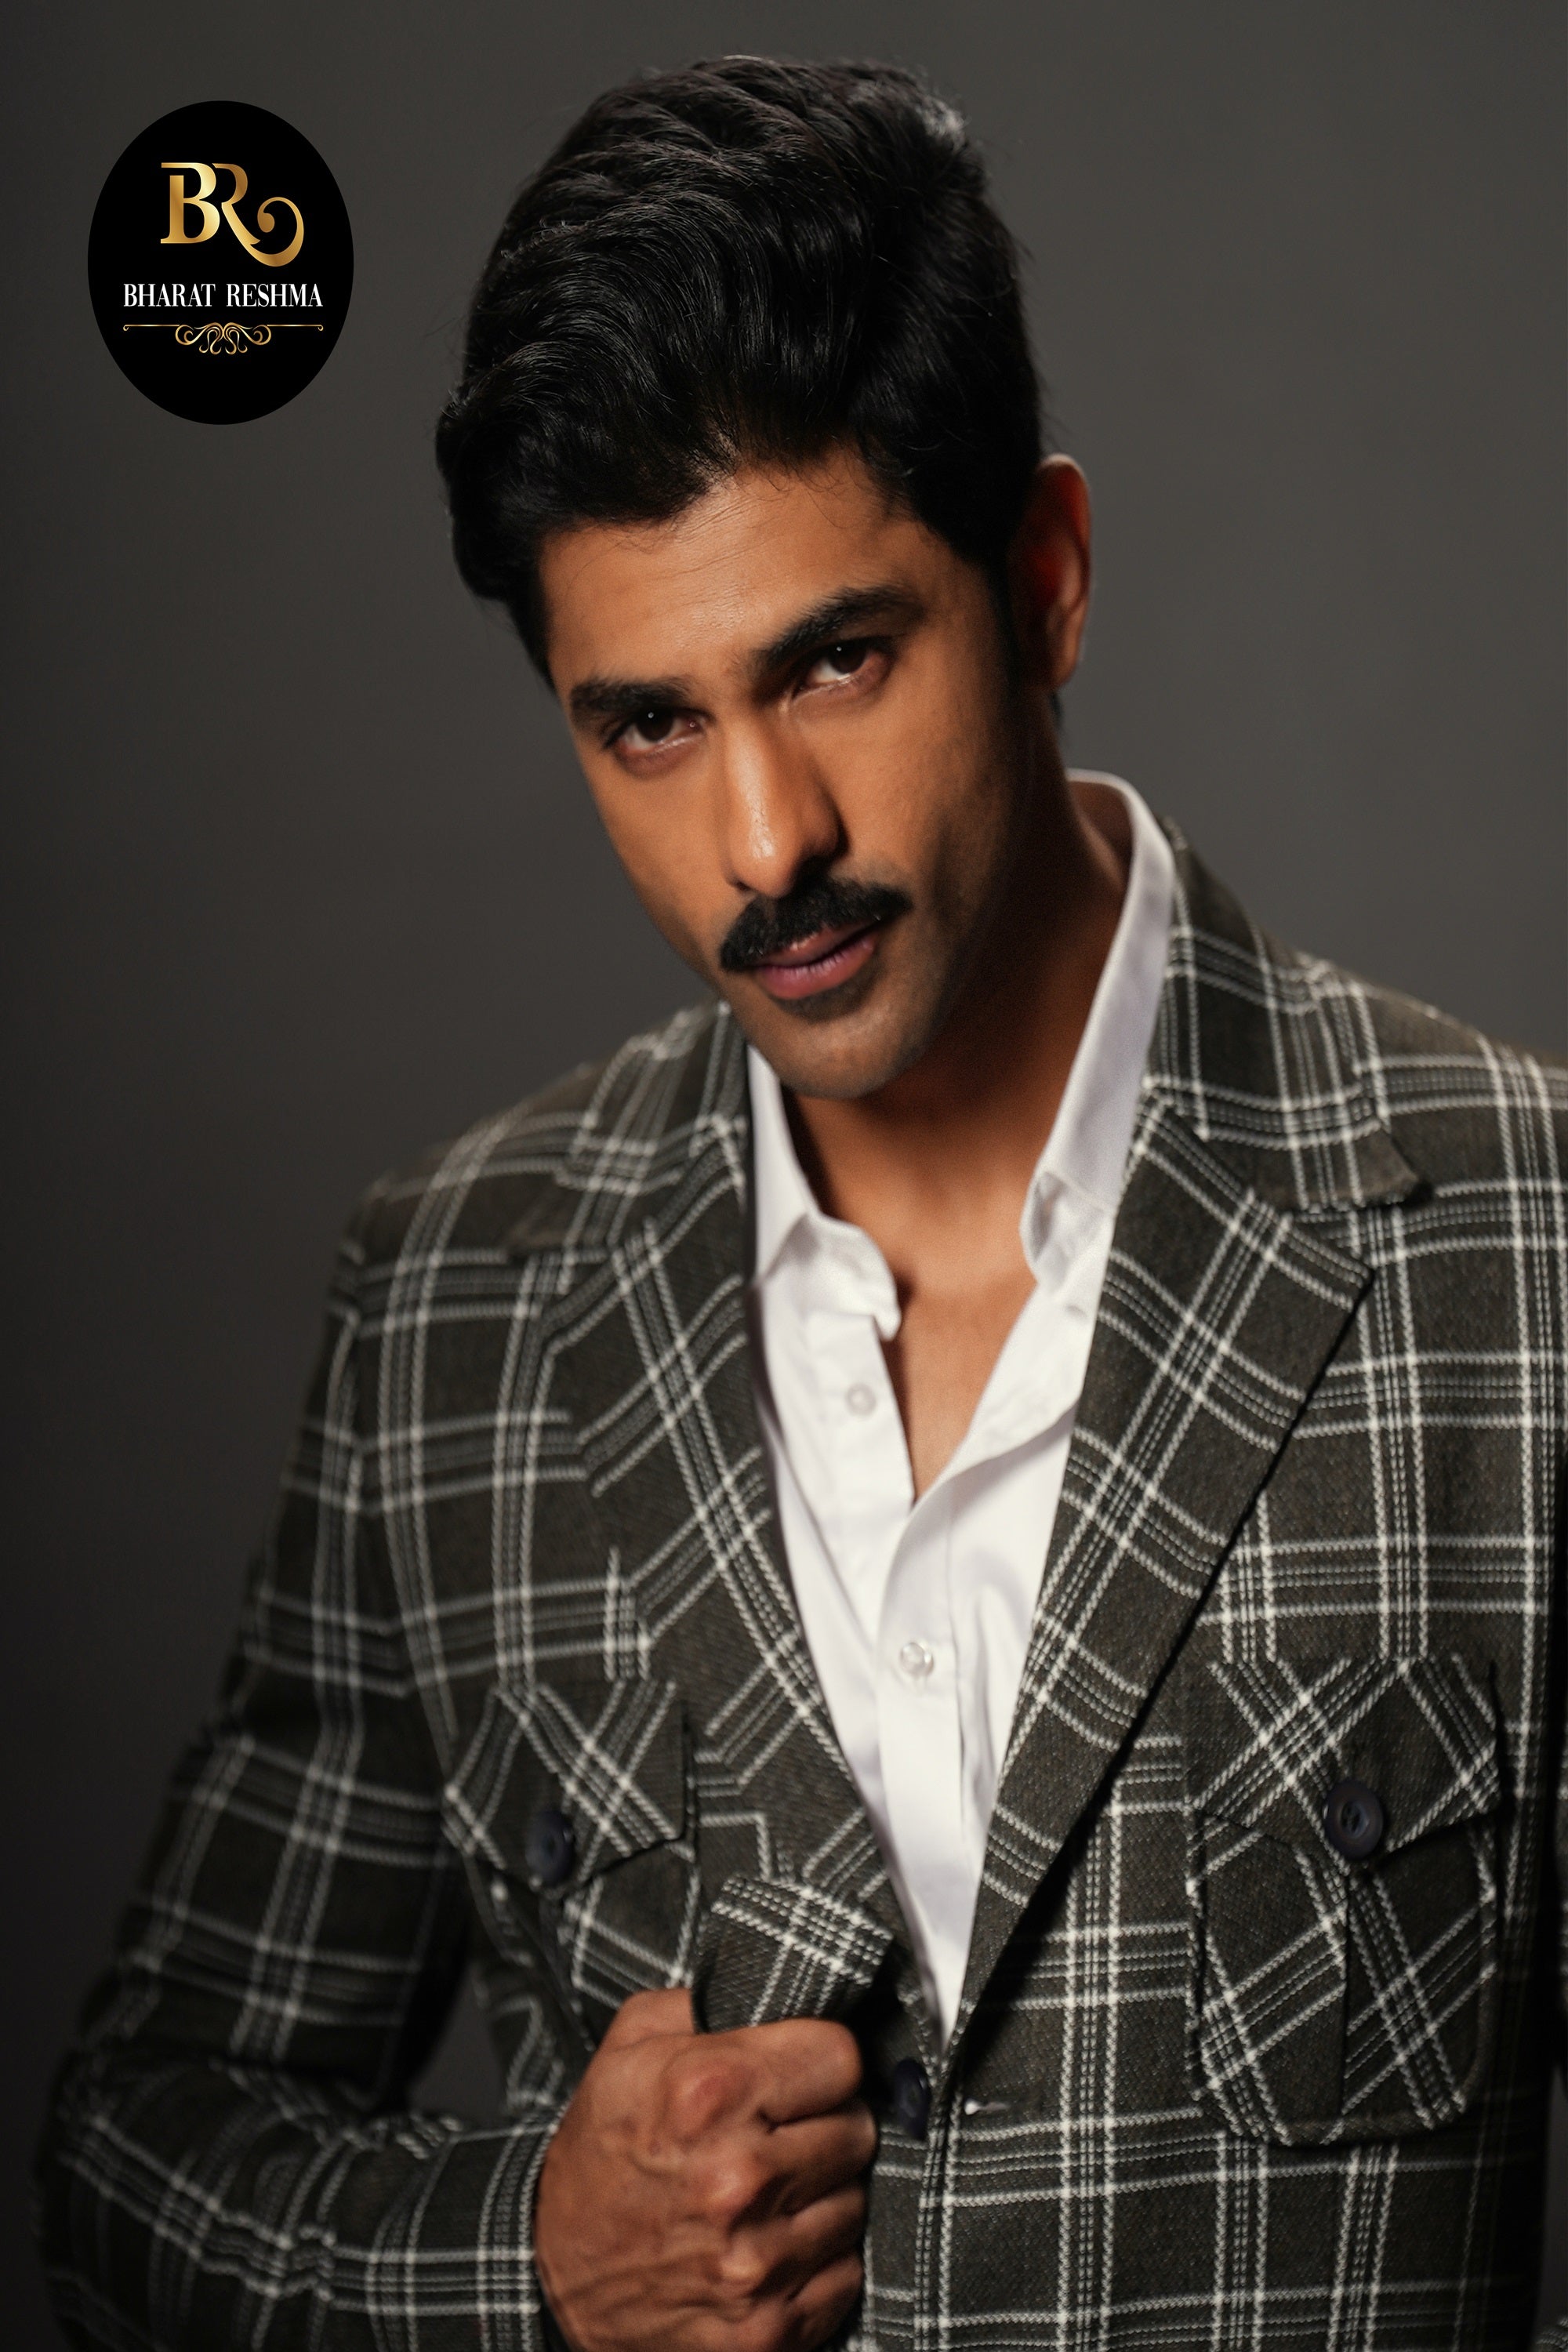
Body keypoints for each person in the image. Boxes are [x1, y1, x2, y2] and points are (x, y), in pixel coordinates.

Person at [38, 54, 1567, 2352]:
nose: (766, 842)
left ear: (1042, 581)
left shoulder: (1526, 1251)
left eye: (837, 661)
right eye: (647, 723)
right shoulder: (451, 1305)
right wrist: (529, 2256)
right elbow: (138, 2142)